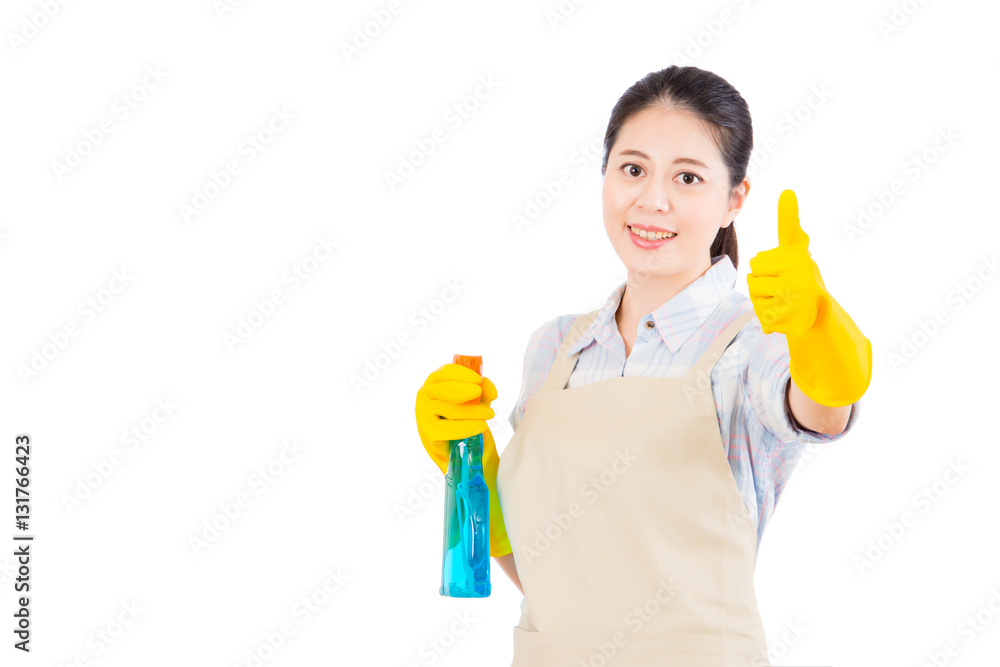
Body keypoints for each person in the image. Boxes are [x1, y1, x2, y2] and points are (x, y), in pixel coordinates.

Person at [415, 65, 871, 666]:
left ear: (734, 200)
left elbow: (824, 407)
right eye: (633, 169)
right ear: (604, 175)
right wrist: (469, 470)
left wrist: (819, 327)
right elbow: (549, 576)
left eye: (688, 177)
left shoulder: (753, 345)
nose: (652, 200)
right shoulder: (553, 351)